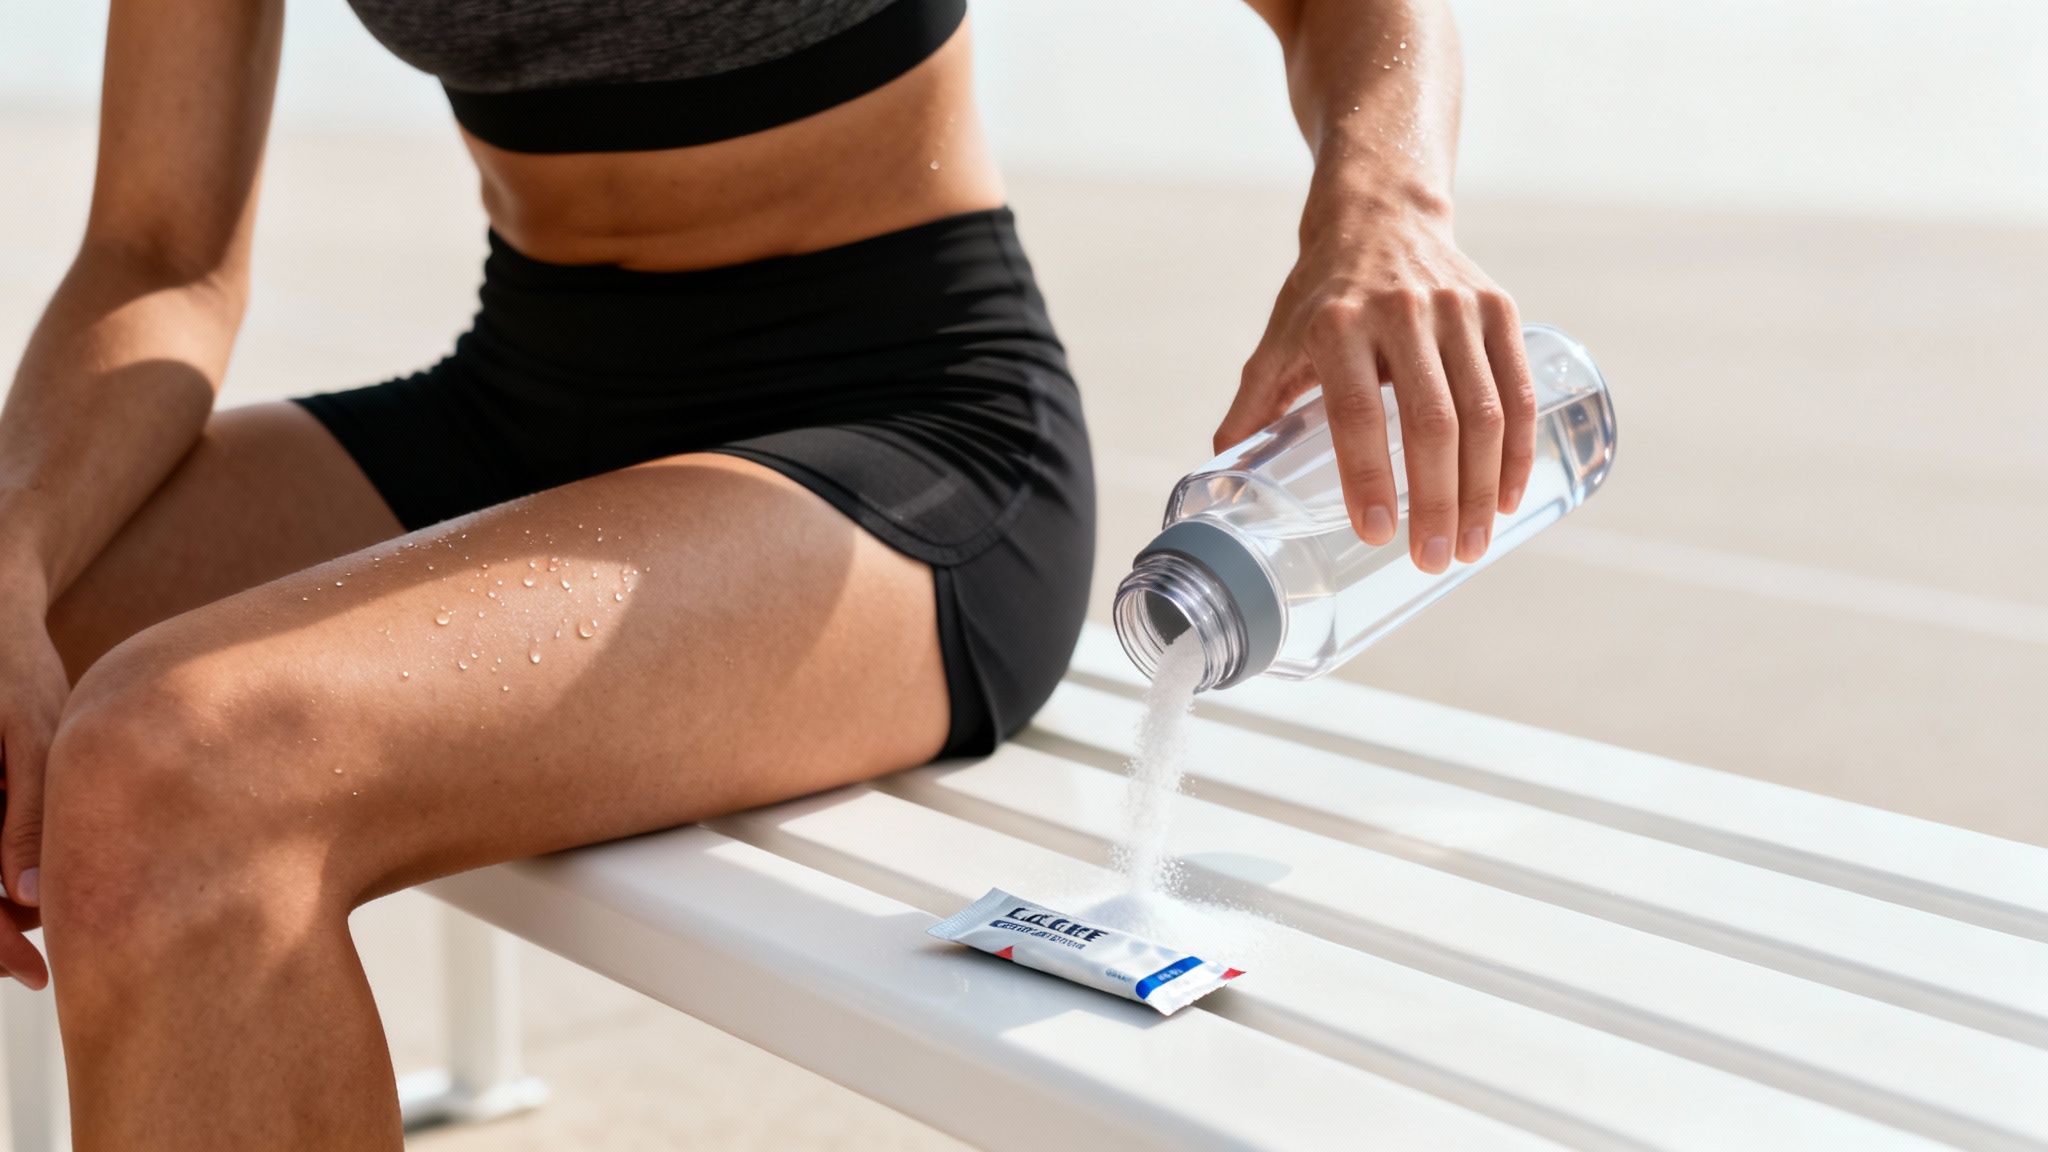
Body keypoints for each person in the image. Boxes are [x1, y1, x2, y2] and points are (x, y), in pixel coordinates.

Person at [0, 0, 1534, 1145]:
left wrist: (1386, 207)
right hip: (524, 399)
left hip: (900, 440)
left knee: (179, 764)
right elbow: (156, 250)